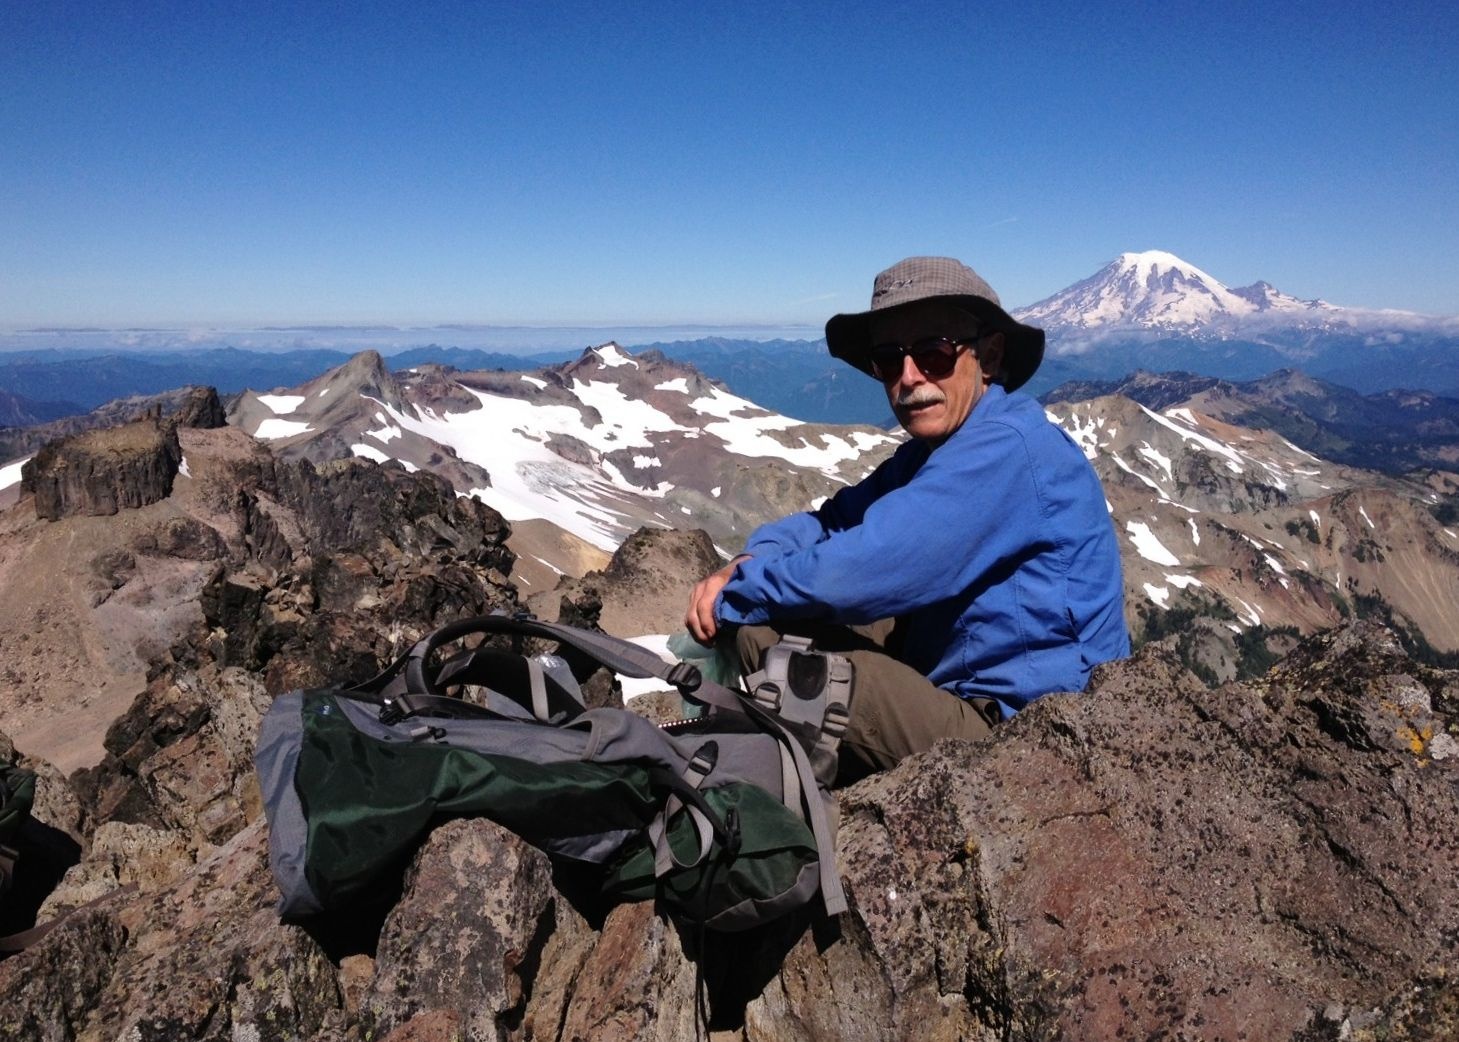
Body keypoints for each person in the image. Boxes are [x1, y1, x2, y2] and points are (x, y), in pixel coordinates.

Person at [685, 256, 1129, 778]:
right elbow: (834, 521)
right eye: (888, 360)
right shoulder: (935, 451)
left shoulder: (1008, 449)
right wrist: (750, 559)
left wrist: (736, 594)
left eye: (935, 353)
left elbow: (864, 568)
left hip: (1033, 734)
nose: (908, 378)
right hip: (973, 689)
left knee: (762, 636)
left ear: (989, 355)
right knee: (780, 615)